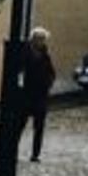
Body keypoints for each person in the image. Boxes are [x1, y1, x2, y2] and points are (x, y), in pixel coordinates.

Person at [22, 26, 57, 162]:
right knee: (20, 124)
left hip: (41, 95)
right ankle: (13, 149)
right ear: (33, 39)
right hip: (26, 94)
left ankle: (35, 154)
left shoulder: (45, 55)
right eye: (39, 39)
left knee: (39, 127)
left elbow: (52, 73)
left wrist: (48, 83)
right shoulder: (25, 52)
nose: (42, 42)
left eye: (43, 39)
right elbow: (20, 70)